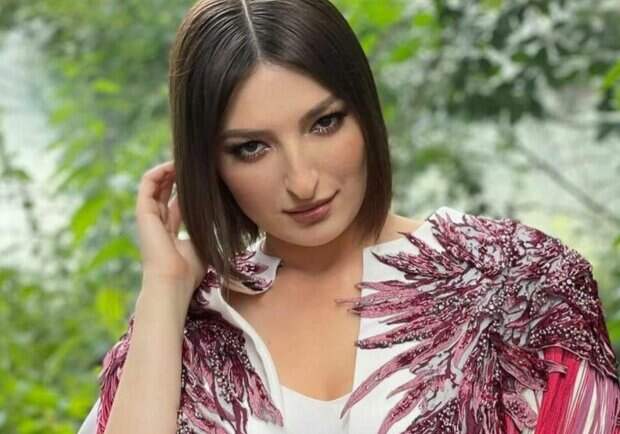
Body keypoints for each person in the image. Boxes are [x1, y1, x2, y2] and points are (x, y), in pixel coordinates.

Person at [77, 0, 620, 433]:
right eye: (251, 148)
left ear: (364, 111)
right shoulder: (181, 329)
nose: (302, 181)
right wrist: (165, 287)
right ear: (210, 163)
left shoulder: (517, 284)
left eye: (324, 123)